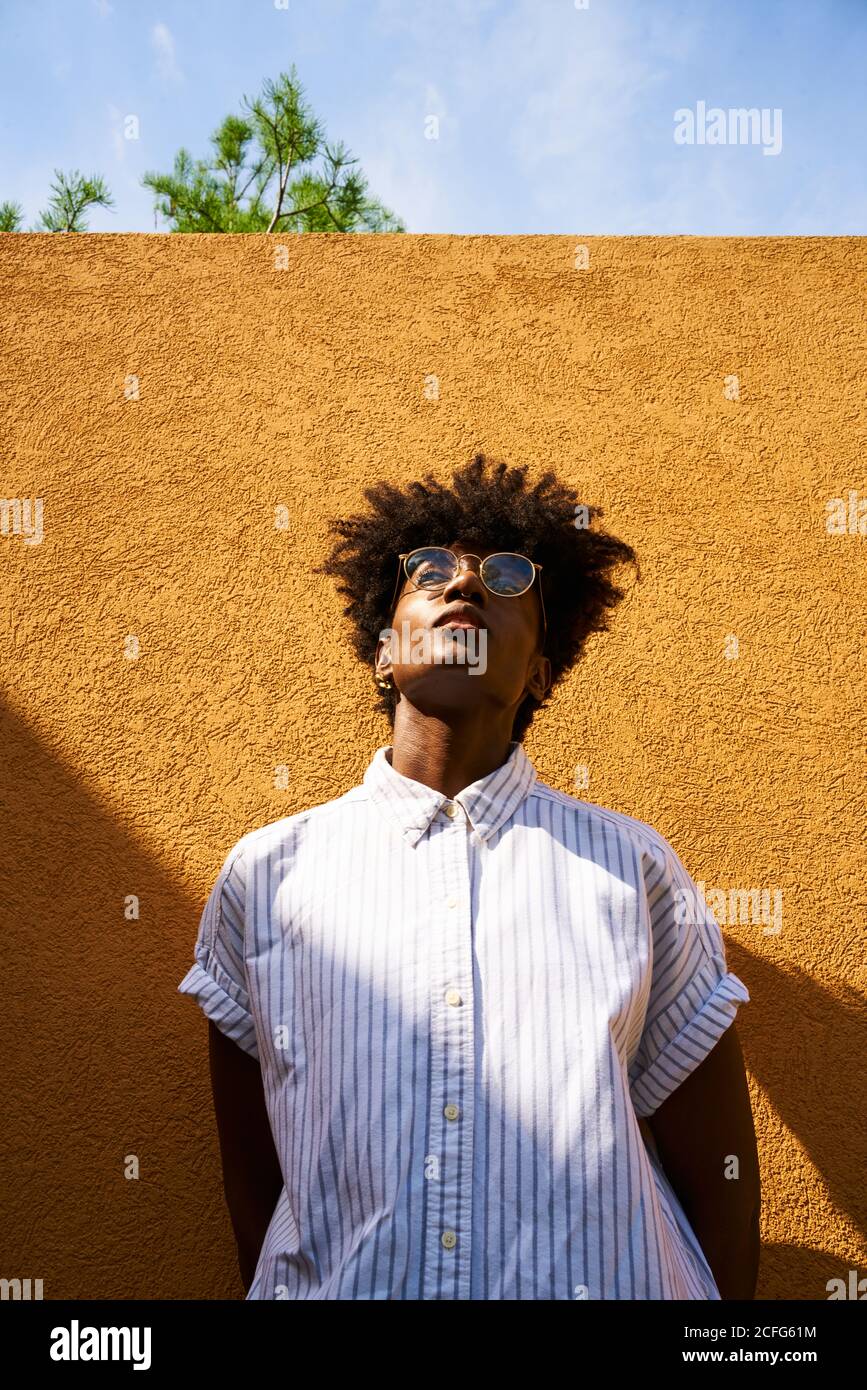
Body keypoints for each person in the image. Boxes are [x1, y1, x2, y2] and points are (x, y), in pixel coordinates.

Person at [178, 452, 760, 1300]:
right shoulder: (267, 874)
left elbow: (719, 1176)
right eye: (430, 573)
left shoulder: (631, 870)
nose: (465, 586)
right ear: (383, 654)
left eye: (506, 576)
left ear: (539, 672)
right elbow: (260, 1181)